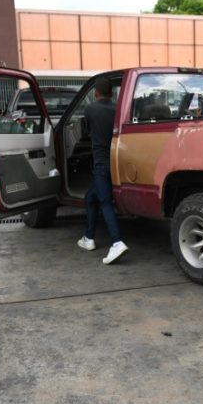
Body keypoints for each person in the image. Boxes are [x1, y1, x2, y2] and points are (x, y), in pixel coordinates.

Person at [77, 77, 129, 264]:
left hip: (101, 163)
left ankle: (116, 242)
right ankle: (88, 238)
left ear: (95, 93)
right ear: (112, 93)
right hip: (118, 161)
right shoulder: (118, 110)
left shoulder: (91, 109)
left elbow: (87, 131)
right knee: (90, 198)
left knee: (105, 202)